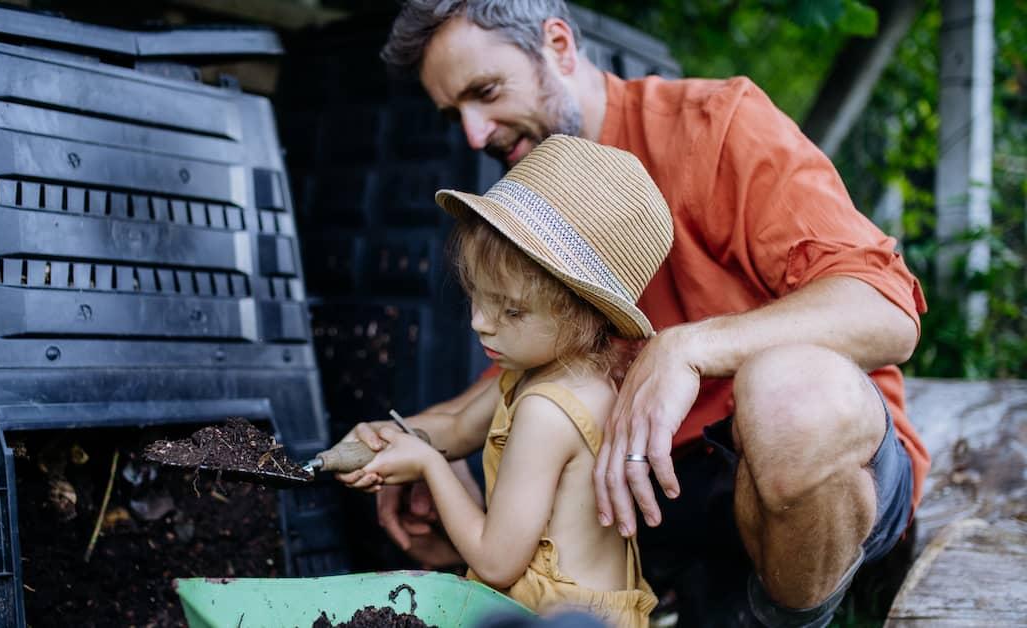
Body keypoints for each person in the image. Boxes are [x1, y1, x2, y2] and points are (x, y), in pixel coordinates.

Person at [338, 2, 931, 626]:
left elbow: (886, 308)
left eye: (485, 92)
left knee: (790, 395)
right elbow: (506, 384)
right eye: (454, 113)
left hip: (813, 481)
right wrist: (410, 440)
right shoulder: (540, 188)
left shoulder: (716, 126)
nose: (474, 134)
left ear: (559, 45)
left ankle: (789, 618)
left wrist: (688, 347)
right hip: (654, 493)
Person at [353, 134, 669, 625]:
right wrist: (393, 437)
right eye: (476, 295)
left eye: (511, 310)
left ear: (581, 314)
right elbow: (458, 430)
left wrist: (430, 467)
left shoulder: (548, 410)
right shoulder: (561, 371)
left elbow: (497, 562)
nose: (480, 321)